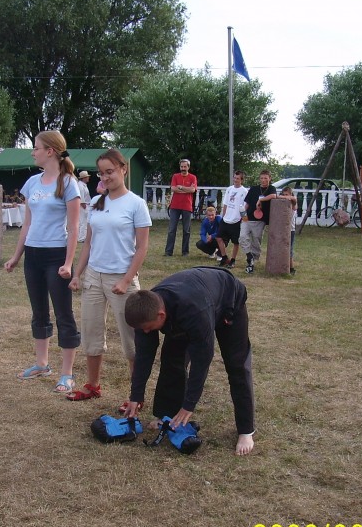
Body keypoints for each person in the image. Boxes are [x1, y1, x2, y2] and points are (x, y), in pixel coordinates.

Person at [123, 267, 256, 456]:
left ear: (161, 315)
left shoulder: (194, 312)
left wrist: (188, 405)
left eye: (148, 328)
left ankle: (246, 430)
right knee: (171, 359)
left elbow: (202, 360)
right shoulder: (144, 310)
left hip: (227, 300)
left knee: (237, 366)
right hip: (194, 299)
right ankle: (167, 415)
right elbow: (144, 355)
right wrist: (136, 395)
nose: (145, 332)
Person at [67, 149, 151, 401]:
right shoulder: (95, 202)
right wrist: (77, 274)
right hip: (94, 277)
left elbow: (142, 248)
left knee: (131, 340)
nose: (105, 177)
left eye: (110, 171)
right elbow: (89, 243)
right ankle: (93, 385)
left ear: (124, 169)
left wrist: (126, 280)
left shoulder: (136, 204)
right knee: (91, 333)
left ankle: (136, 396)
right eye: (101, 173)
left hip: (122, 278)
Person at [4, 130, 81, 393]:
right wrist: (16, 256)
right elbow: (27, 224)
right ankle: (42, 364)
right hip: (33, 255)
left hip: (56, 255)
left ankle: (67, 373)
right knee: (39, 312)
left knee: (63, 314)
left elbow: (74, 228)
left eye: (36, 148)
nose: (32, 152)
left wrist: (68, 263)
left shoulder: (68, 184)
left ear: (50, 151)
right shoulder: (32, 183)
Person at [240, 170, 277, 274]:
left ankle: (252, 262)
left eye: (265, 178)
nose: (263, 180)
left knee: (256, 240)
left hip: (260, 220)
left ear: (269, 178)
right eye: (261, 178)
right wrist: (243, 216)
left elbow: (273, 196)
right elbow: (247, 203)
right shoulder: (253, 189)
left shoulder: (271, 188)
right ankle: (249, 256)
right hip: (248, 218)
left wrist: (261, 200)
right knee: (242, 237)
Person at [164, 159, 197, 256]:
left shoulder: (193, 177)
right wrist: (187, 189)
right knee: (171, 229)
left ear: (188, 167)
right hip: (175, 206)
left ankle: (185, 252)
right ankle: (168, 251)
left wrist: (181, 187)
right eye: (181, 166)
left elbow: (193, 190)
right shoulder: (175, 176)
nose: (183, 168)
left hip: (187, 206)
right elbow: (173, 188)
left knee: (186, 230)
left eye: (185, 166)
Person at [216, 170, 248, 267]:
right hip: (226, 219)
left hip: (236, 220)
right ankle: (224, 257)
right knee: (218, 238)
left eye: (238, 178)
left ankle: (233, 260)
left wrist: (243, 219)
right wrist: (223, 216)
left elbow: (245, 207)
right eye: (234, 178)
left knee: (235, 242)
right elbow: (225, 204)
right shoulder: (229, 189)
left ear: (241, 180)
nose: (235, 180)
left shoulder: (244, 191)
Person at [278, 186, 298, 275]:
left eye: (287, 195)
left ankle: (291, 267)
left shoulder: (293, 204)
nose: (285, 197)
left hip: (290, 230)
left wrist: (288, 197)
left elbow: (294, 201)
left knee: (289, 249)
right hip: (282, 229)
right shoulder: (282, 204)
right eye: (284, 194)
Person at [76, 170, 92, 243]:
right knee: (83, 221)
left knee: (82, 221)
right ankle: (81, 238)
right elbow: (81, 197)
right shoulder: (80, 185)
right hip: (83, 205)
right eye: (87, 177)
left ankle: (81, 236)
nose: (88, 178)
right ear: (84, 178)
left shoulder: (83, 185)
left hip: (85, 204)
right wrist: (84, 205)